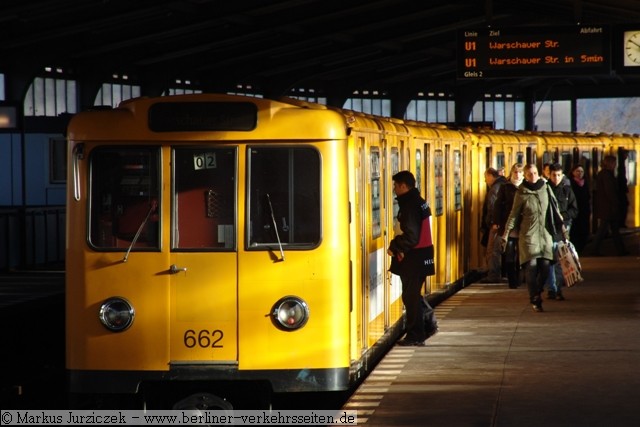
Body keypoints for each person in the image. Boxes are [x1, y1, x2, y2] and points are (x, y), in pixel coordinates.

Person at [501, 164, 558, 312]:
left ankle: (537, 292)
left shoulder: (546, 189)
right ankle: (534, 298)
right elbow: (513, 215)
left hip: (545, 235)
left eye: (535, 173)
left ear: (539, 174)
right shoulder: (521, 193)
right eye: (529, 174)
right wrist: (506, 234)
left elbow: (555, 210)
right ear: (525, 176)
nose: (533, 176)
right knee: (531, 268)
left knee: (546, 267)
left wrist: (563, 231)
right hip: (528, 236)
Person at [388, 171, 436, 346]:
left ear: (403, 186)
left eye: (395, 185)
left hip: (414, 258)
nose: (394, 189)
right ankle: (423, 328)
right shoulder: (419, 202)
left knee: (411, 297)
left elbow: (412, 236)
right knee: (412, 295)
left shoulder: (410, 205)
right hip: (421, 256)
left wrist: (395, 246)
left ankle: (417, 334)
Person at [545, 163, 578, 300]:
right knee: (549, 260)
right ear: (549, 174)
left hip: (562, 228)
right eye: (554, 175)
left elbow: (574, 210)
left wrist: (563, 217)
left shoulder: (567, 190)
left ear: (562, 175)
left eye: (559, 175)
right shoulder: (544, 190)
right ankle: (551, 288)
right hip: (548, 228)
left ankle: (556, 288)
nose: (556, 178)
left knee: (559, 260)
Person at [494, 163, 524, 289]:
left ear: (523, 174)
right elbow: (498, 205)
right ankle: (512, 281)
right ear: (511, 173)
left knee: (521, 254)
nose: (517, 174)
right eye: (515, 172)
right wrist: (496, 221)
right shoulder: (505, 187)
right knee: (509, 253)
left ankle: (520, 278)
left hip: (523, 225)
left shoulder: (526, 187)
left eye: (519, 172)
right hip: (508, 226)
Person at [593, 156, 629, 256]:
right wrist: (616, 204)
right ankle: (595, 249)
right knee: (604, 230)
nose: (615, 165)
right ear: (609, 163)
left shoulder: (604, 174)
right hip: (608, 208)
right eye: (614, 163)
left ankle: (621, 250)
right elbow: (610, 192)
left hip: (607, 208)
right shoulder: (606, 175)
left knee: (613, 230)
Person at [480, 168, 507, 282]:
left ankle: (494, 275)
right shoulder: (503, 184)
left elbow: (492, 208)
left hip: (495, 225)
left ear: (491, 175)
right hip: (501, 224)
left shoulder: (495, 188)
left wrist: (490, 223)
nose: (485, 180)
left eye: (486, 177)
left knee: (492, 250)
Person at [569, 164, 591, 254]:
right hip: (574, 211)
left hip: (584, 211)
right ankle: (576, 249)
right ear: (573, 172)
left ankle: (582, 248)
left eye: (581, 171)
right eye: (577, 171)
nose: (579, 173)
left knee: (584, 230)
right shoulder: (570, 183)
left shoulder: (585, 183)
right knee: (575, 231)